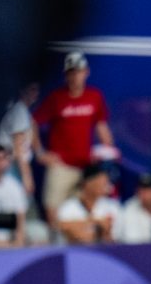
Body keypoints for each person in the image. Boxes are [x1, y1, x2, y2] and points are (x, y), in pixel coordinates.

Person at [32, 52, 117, 226]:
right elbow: (32, 123)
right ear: (66, 75)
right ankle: (56, 247)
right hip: (61, 165)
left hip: (86, 167)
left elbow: (101, 126)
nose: (75, 76)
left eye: (78, 71)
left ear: (86, 72)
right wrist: (40, 153)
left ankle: (80, 249)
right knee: (53, 208)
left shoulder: (94, 96)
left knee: (85, 210)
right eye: (71, 72)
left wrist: (107, 151)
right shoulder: (56, 98)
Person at [55, 163, 119, 244]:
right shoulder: (68, 207)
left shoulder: (111, 206)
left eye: (105, 182)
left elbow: (109, 235)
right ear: (87, 183)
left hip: (104, 253)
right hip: (74, 253)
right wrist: (98, 223)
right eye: (100, 181)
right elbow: (66, 228)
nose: (105, 185)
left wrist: (78, 225)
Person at [0, 82, 39, 194]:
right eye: (32, 89)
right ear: (22, 91)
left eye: (37, 90)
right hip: (11, 164)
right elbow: (19, 148)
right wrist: (27, 177)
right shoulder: (19, 111)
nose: (36, 93)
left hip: (13, 163)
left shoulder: (23, 111)